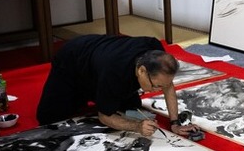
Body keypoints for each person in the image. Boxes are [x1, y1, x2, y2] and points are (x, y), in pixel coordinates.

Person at [36, 34, 198, 138]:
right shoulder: (114, 72)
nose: (157, 90)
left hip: (103, 58)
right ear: (142, 71)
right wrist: (137, 127)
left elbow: (168, 86)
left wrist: (174, 123)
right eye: (155, 86)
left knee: (131, 107)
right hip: (72, 61)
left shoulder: (156, 52)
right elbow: (104, 116)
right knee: (49, 117)